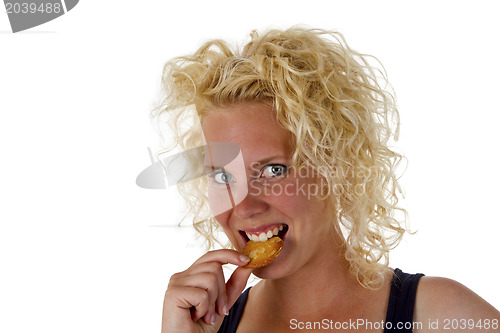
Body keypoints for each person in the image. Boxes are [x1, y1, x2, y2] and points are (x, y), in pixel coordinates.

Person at [155, 27, 500, 333]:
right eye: (223, 175)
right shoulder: (207, 327)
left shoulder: (442, 317)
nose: (243, 206)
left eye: (274, 170)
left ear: (335, 164)